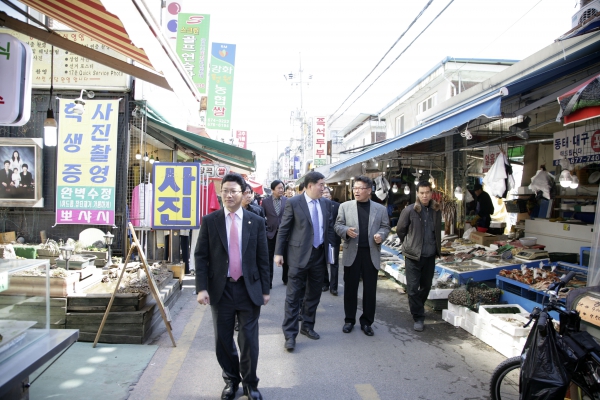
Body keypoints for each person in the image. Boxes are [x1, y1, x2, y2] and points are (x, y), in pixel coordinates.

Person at [195, 173, 270, 400]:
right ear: (221, 193)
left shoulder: (255, 221)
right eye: (225, 191)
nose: (228, 195)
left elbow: (262, 257)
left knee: (248, 340)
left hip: (249, 289)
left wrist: (265, 289)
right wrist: (201, 288)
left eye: (233, 191)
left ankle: (250, 383)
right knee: (222, 340)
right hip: (221, 289)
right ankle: (231, 380)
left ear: (243, 194)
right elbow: (201, 256)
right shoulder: (210, 221)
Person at [275, 171, 335, 351]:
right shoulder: (294, 203)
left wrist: (331, 254)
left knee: (314, 294)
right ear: (310, 186)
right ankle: (290, 334)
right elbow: (284, 229)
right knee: (293, 297)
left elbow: (328, 229)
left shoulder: (325, 203)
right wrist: (278, 253)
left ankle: (308, 326)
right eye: (321, 185)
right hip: (298, 256)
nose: (324, 188)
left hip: (319, 255)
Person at [334, 176, 390, 336]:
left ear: (369, 190)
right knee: (350, 289)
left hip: (370, 253)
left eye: (360, 188)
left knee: (370, 290)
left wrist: (381, 235)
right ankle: (349, 320)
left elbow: (386, 227)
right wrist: (345, 231)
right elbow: (337, 225)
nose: (356, 191)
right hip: (352, 252)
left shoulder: (380, 209)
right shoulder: (345, 207)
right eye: (355, 188)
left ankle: (367, 322)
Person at [396, 180, 441, 332]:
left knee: (426, 286)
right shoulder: (410, 210)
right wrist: (409, 244)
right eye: (421, 193)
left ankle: (417, 307)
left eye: (427, 192)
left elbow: (437, 232)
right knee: (413, 288)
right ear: (417, 194)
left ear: (431, 193)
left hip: (429, 255)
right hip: (413, 256)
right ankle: (418, 317)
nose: (424, 195)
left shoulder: (436, 210)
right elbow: (400, 230)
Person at [261, 180, 287, 287]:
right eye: (279, 188)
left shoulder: (287, 200)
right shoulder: (265, 202)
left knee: (286, 258)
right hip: (270, 234)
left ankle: (286, 279)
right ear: (272, 190)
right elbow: (262, 217)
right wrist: (266, 230)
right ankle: (268, 282)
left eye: (282, 188)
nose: (281, 190)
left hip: (284, 234)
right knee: (268, 259)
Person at [322, 187, 341, 295]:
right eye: (323, 192)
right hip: (322, 239)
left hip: (334, 238)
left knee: (334, 263)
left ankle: (334, 287)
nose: (325, 194)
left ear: (330, 195)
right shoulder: (318, 205)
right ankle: (325, 283)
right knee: (323, 262)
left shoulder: (337, 206)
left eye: (327, 192)